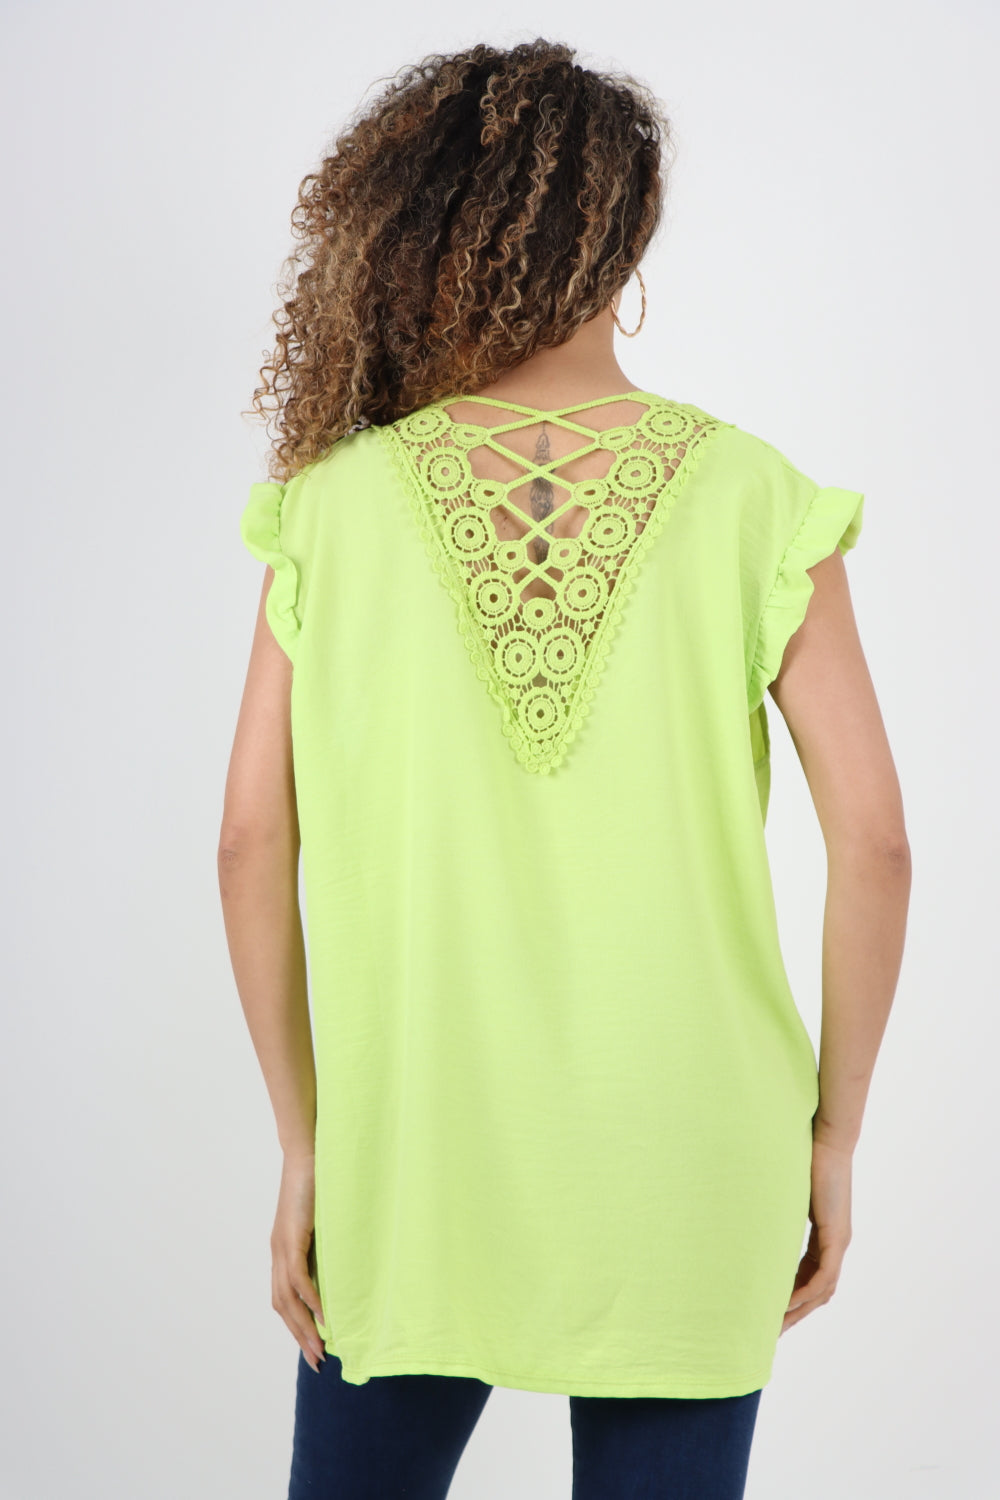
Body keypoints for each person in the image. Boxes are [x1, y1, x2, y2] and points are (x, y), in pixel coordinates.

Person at [217, 37, 910, 1500]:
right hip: (691, 1152)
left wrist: (304, 1142)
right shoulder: (754, 496)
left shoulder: (330, 511)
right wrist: (836, 1136)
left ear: (416, 230)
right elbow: (878, 844)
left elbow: (247, 841)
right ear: (629, 234)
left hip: (412, 1157)